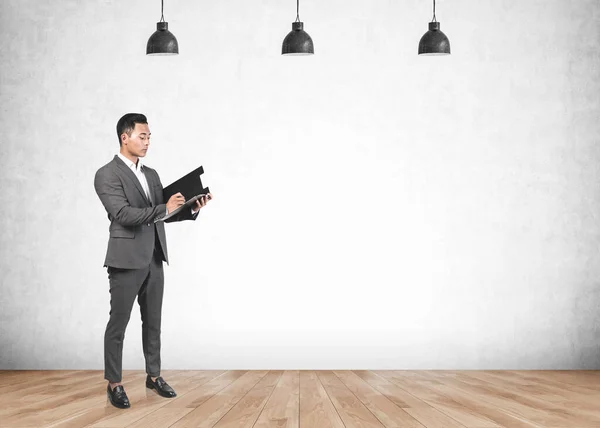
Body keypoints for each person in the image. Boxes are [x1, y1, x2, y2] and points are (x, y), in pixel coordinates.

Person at [94, 113, 212, 409]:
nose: (147, 142)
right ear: (125, 137)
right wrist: (162, 207)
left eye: (149, 137)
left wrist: (190, 207)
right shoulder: (107, 174)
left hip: (154, 258)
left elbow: (162, 217)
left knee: (153, 323)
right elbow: (122, 214)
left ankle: (154, 376)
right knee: (118, 324)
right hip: (125, 260)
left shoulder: (152, 175)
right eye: (142, 136)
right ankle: (114, 383)